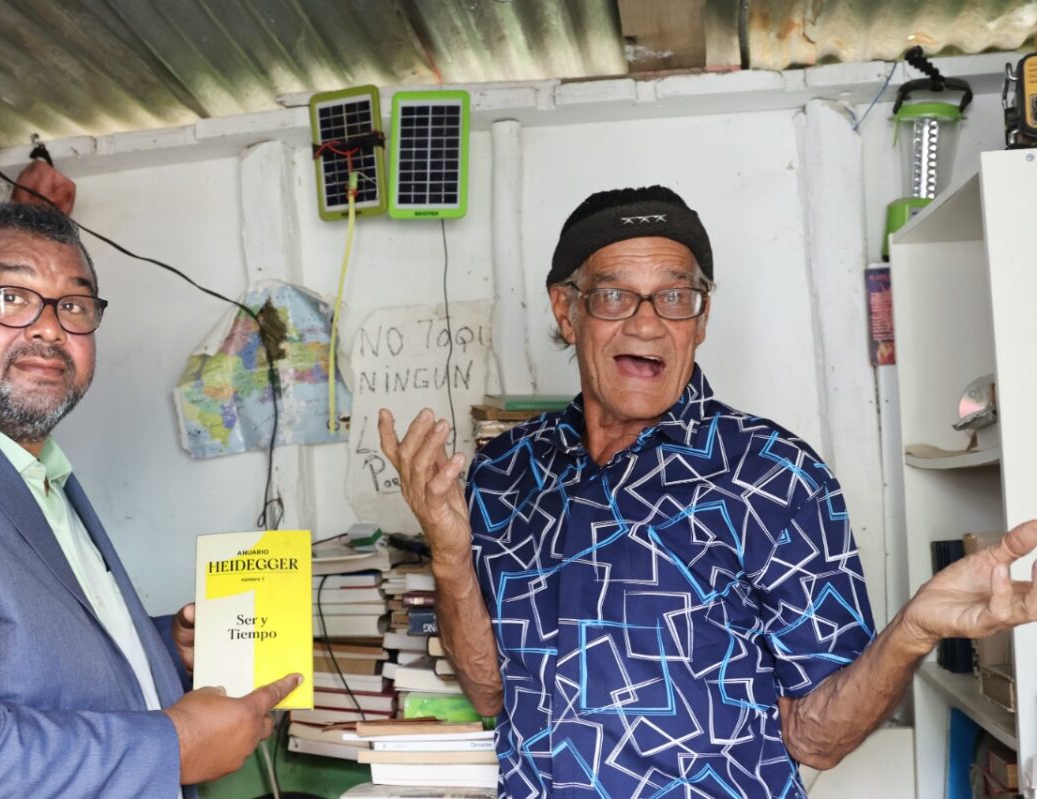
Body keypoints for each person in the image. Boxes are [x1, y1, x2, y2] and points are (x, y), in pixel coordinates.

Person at [379, 186, 1037, 797]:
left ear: (701, 316)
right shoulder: (506, 473)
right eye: (614, 297)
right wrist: (449, 554)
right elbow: (490, 693)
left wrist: (913, 628)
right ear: (566, 309)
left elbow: (817, 735)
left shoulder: (775, 476)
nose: (646, 323)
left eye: (674, 297)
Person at [0, 202, 300, 798]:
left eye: (74, 306)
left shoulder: (34, 469)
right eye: (11, 296)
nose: (50, 328)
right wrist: (172, 747)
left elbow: (27, 654)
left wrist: (166, 651)